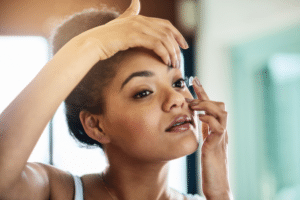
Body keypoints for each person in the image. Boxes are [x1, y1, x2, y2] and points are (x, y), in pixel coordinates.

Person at [0, 0, 233, 199]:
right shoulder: (57, 192)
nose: (176, 99)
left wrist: (221, 193)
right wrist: (94, 44)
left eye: (178, 83)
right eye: (143, 92)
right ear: (96, 125)